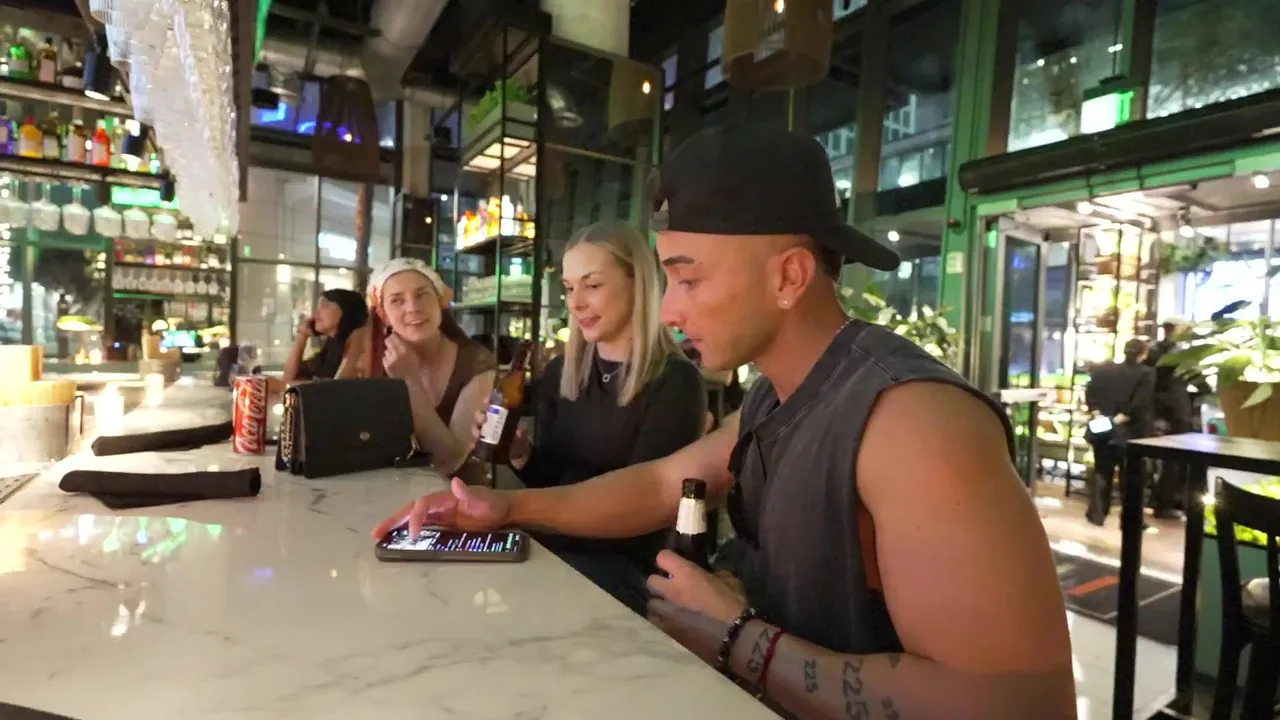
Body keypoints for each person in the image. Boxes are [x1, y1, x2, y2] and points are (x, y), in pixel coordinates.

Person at [375, 127, 1076, 719]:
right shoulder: (775, 396)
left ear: (789, 276)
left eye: (688, 278)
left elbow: (1020, 702)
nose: (670, 310)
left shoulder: (913, 422)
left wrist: (738, 636)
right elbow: (661, 484)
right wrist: (504, 508)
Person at [502, 221, 705, 614]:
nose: (575, 303)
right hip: (552, 550)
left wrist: (517, 511)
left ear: (637, 284)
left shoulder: (676, 382)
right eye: (569, 288)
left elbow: (645, 511)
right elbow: (551, 481)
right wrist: (521, 455)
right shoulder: (561, 373)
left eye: (592, 285)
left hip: (625, 569)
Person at [342, 258, 496, 474]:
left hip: (456, 490)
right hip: (384, 487)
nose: (413, 308)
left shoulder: (475, 361)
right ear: (383, 315)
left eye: (422, 295)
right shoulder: (368, 359)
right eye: (397, 300)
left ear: (440, 301)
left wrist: (409, 381)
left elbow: (448, 461)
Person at [1084, 338, 1156, 526]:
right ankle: (1130, 521)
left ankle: (1096, 515)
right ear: (1143, 354)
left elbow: (1090, 393)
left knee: (1102, 471)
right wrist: (1119, 419)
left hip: (1102, 428)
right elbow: (1140, 402)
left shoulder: (1104, 369)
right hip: (1130, 432)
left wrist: (1098, 414)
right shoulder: (1146, 374)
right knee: (1131, 477)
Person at [282, 288, 369, 382]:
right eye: (318, 306)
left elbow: (339, 386)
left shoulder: (360, 338)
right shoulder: (329, 351)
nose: (316, 313)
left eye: (325, 305)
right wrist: (302, 335)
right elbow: (289, 378)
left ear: (347, 310)